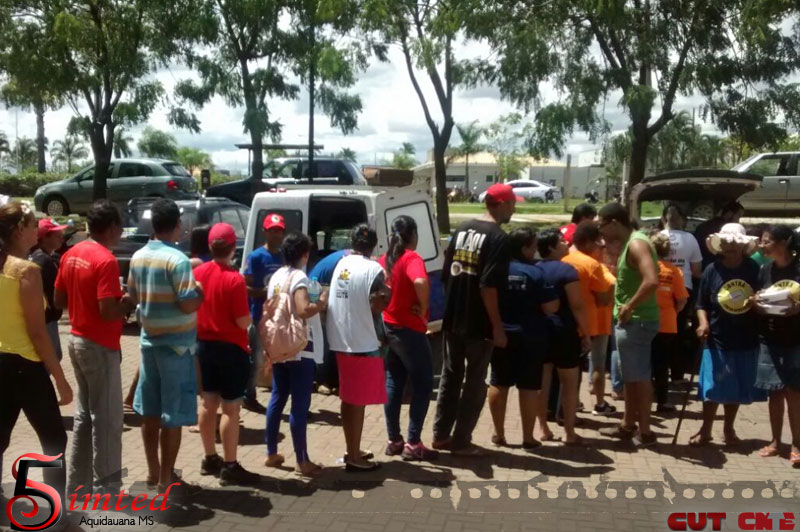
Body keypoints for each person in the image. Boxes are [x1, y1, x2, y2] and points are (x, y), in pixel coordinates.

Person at [54, 201, 135, 493]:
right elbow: (107, 311)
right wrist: (128, 302)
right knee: (107, 421)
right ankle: (107, 490)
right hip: (99, 346)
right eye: (121, 226)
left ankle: (78, 484)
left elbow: (58, 300)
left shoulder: (72, 253)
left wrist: (84, 299)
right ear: (112, 227)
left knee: (84, 416)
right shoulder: (105, 260)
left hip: (77, 340)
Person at [127, 198, 204, 493]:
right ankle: (166, 478)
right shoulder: (178, 260)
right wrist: (200, 293)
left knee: (150, 412)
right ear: (177, 225)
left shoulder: (138, 256)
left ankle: (153, 472)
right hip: (177, 348)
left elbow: (132, 296)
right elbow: (187, 304)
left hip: (149, 344)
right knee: (172, 415)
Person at [432, 183, 515, 456]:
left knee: (450, 376)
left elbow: (447, 274)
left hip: (453, 318)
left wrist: (451, 307)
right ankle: (461, 441)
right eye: (512, 204)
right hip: (479, 324)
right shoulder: (499, 239)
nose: (514, 209)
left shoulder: (462, 228)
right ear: (501, 204)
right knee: (476, 382)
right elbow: (488, 286)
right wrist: (497, 327)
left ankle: (440, 435)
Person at [0, 202, 72, 512]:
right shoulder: (26, 271)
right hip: (25, 366)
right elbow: (38, 334)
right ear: (19, 230)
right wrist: (61, 379)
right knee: (54, 439)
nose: (37, 231)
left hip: (3, 362)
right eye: (32, 225)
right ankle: (55, 512)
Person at [194, 223, 260, 485]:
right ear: (233, 247)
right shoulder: (234, 279)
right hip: (231, 348)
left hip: (204, 345)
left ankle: (209, 457)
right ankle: (230, 465)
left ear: (210, 246)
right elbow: (243, 321)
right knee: (231, 409)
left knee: (208, 403)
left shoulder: (198, 272)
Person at [691, 223, 765, 447]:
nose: (729, 246)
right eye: (725, 242)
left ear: (743, 246)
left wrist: (757, 302)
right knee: (712, 385)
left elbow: (762, 299)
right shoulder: (711, 269)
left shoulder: (753, 269)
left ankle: (728, 429)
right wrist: (703, 323)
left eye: (734, 243)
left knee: (735, 386)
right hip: (716, 337)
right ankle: (705, 430)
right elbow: (701, 304)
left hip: (745, 337)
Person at [326, 225, 391, 471]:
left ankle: (352, 447)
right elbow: (377, 303)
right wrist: (388, 294)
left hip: (341, 337)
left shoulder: (341, 264)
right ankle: (354, 456)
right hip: (362, 340)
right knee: (358, 401)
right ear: (374, 245)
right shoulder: (374, 269)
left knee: (349, 397)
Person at [487, 228, 558, 449]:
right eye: (533, 246)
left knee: (499, 382)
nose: (535, 250)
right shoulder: (535, 273)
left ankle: (499, 434)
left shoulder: (495, 270)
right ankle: (528, 437)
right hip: (531, 336)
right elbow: (550, 307)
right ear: (524, 248)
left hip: (501, 334)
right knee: (528, 386)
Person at [264, 232, 328, 476]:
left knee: (277, 397)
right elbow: (303, 310)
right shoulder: (300, 277)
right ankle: (302, 460)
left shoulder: (277, 276)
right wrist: (321, 301)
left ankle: (271, 452)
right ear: (304, 254)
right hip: (300, 347)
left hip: (278, 344)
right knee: (299, 405)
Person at [597, 202, 660, 447]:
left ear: (614, 223)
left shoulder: (636, 244)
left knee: (639, 377)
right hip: (633, 321)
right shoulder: (631, 243)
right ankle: (628, 424)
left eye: (602, 225)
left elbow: (651, 280)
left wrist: (629, 306)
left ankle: (645, 432)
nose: (601, 231)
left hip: (637, 321)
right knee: (631, 377)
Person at [378, 215, 438, 461]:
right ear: (413, 235)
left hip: (389, 326)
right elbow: (421, 281)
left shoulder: (385, 259)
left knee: (394, 381)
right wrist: (423, 308)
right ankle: (413, 443)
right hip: (408, 330)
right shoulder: (411, 258)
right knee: (423, 384)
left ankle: (394, 440)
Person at [535, 229, 591, 444]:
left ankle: (543, 428)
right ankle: (569, 431)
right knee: (569, 382)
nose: (566, 243)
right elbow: (577, 305)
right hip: (564, 331)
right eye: (560, 241)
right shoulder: (567, 271)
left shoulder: (535, 269)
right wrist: (585, 333)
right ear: (551, 247)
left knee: (542, 381)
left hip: (541, 331)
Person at [753, 224, 800, 466]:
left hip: (796, 339)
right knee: (775, 392)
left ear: (783, 243)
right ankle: (774, 442)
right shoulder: (765, 269)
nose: (762, 246)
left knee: (794, 393)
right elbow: (757, 298)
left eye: (767, 241)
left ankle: (797, 444)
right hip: (770, 337)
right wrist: (756, 303)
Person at [562, 221, 614, 415]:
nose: (601, 248)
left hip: (573, 321)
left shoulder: (565, 260)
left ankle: (573, 403)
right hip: (596, 322)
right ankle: (599, 403)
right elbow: (603, 298)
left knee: (572, 366)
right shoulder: (593, 266)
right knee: (598, 364)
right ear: (589, 243)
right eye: (599, 244)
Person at [243, 213, 285, 412]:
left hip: (280, 316)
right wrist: (266, 292)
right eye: (272, 231)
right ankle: (248, 395)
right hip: (260, 315)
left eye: (279, 231)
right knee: (256, 359)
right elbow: (245, 287)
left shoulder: (284, 256)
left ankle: (279, 397)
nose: (276, 235)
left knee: (279, 358)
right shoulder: (256, 257)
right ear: (265, 232)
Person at [660, 204, 702, 383]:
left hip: (661, 286)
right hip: (684, 288)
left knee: (659, 331)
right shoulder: (690, 239)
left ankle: (659, 372)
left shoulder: (657, 237)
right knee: (678, 330)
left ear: (663, 219)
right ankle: (677, 374)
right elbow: (697, 271)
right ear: (683, 220)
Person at [649, 233, 688, 413]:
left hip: (645, 321)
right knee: (662, 365)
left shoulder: (644, 268)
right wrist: (674, 312)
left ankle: (642, 401)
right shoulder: (674, 271)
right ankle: (662, 401)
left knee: (644, 365)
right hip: (667, 323)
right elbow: (681, 300)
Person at [308, 247, 352, 395]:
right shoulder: (346, 261)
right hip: (318, 290)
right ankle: (321, 381)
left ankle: (331, 379)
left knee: (331, 341)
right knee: (325, 343)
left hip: (324, 288)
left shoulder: (348, 255)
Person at [31, 218, 68, 361]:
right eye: (57, 235)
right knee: (52, 358)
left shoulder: (44, 257)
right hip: (46, 320)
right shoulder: (43, 260)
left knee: (54, 356)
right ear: (45, 238)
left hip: (48, 319)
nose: (61, 238)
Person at [695, 201, 744, 269]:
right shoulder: (729, 230)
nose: (738, 220)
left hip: (701, 264)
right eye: (738, 216)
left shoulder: (702, 226)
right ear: (729, 214)